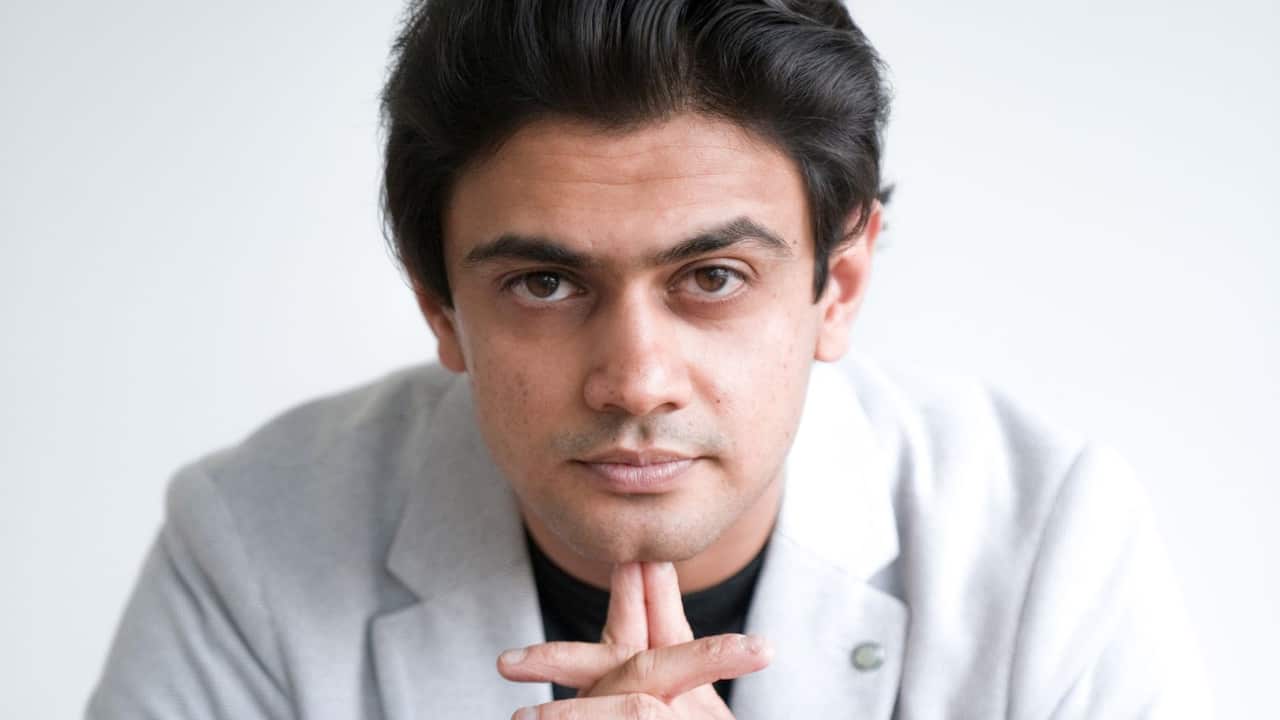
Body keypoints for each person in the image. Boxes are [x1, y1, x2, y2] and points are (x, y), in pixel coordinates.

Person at [86, 1, 1212, 718]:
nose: (634, 379)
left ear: (839, 285)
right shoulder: (251, 540)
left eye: (712, 278)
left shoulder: (1046, 542)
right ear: (439, 307)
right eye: (543, 283)